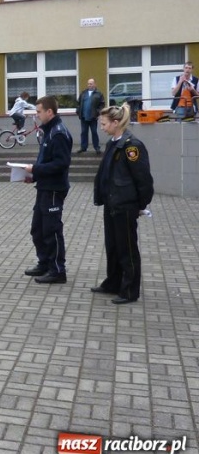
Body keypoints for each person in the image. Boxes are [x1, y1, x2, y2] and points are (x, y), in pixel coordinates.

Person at [92, 103, 154, 304]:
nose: (101, 127)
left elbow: (143, 179)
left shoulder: (132, 146)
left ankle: (129, 291)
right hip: (112, 203)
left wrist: (140, 205)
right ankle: (113, 282)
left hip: (125, 204)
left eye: (104, 123)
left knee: (127, 249)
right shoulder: (113, 142)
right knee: (113, 246)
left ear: (116, 122)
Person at [22, 96, 73, 284]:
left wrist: (35, 169)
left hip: (54, 189)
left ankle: (58, 270)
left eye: (39, 112)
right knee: (38, 229)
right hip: (44, 186)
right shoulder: (49, 131)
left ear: (49, 112)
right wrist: (33, 176)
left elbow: (61, 163)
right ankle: (44, 262)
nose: (37, 115)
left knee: (52, 230)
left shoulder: (58, 133)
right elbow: (45, 160)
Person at [76, 78, 105, 154]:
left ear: (95, 84)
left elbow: (102, 104)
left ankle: (97, 148)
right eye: (88, 83)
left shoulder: (99, 94)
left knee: (94, 132)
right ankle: (83, 148)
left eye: (91, 83)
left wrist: (98, 112)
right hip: (83, 117)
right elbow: (78, 103)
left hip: (93, 117)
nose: (89, 85)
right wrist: (78, 111)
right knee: (83, 132)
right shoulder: (83, 93)